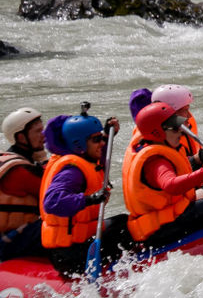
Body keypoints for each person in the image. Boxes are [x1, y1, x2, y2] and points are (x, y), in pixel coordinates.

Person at [122, 101, 203, 251]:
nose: (181, 132)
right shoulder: (156, 161)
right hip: (163, 227)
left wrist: (201, 159)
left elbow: (179, 176)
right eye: (176, 128)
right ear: (158, 133)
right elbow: (170, 185)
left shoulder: (155, 148)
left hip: (168, 215)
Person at [40, 108, 134, 277]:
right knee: (124, 230)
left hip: (75, 243)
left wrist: (107, 133)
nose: (102, 143)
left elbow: (96, 161)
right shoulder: (71, 171)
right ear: (79, 145)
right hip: (70, 254)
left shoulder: (82, 158)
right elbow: (52, 202)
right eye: (97, 139)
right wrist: (90, 199)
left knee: (122, 221)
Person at [0, 108, 50, 262]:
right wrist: (44, 158)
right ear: (21, 137)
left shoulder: (8, 160)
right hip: (11, 243)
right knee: (71, 228)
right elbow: (54, 193)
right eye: (38, 131)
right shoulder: (18, 171)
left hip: (10, 238)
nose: (44, 135)